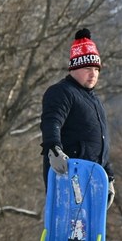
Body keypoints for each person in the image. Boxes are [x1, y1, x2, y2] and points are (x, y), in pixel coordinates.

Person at [39, 28, 114, 206]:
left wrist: (109, 177)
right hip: (68, 174)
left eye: (96, 69)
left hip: (93, 180)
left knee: (88, 231)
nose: (93, 73)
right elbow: (52, 121)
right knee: (70, 230)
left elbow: (101, 142)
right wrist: (54, 149)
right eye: (88, 68)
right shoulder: (62, 92)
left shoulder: (95, 101)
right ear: (75, 67)